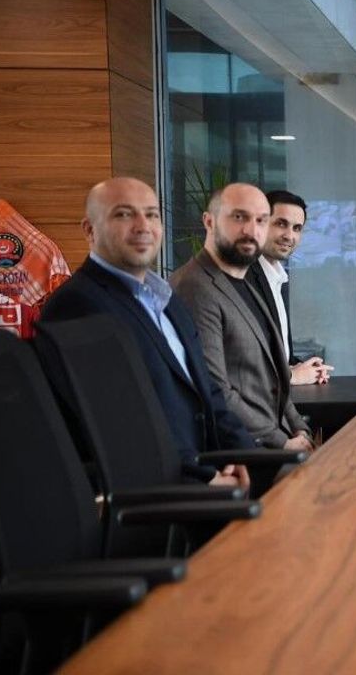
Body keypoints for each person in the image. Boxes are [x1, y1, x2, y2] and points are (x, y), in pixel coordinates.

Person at [42, 177, 254, 487]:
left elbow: (208, 393)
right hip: (159, 492)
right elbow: (118, 423)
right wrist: (206, 479)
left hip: (210, 476)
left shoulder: (166, 299)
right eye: (124, 214)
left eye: (152, 214)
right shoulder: (77, 305)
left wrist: (247, 458)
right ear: (89, 229)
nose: (143, 226)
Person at [170, 183, 314, 453]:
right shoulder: (195, 286)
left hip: (278, 438)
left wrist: (298, 426)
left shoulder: (244, 280)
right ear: (209, 221)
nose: (251, 230)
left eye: (261, 220)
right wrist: (282, 442)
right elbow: (215, 388)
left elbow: (273, 376)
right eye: (239, 217)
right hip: (245, 452)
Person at [245, 189, 333, 385]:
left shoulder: (277, 278)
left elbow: (279, 355)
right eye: (281, 224)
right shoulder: (244, 277)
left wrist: (302, 368)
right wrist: (293, 376)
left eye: (297, 228)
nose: (289, 235)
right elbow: (244, 360)